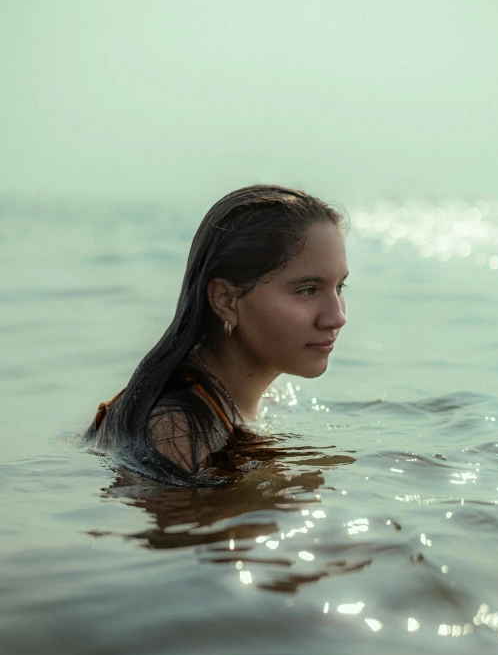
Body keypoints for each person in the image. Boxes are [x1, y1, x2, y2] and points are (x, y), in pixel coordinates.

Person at [85, 184, 348, 486]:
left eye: (339, 287)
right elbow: (186, 528)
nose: (337, 317)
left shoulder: (267, 398)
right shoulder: (177, 429)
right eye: (306, 290)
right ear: (225, 300)